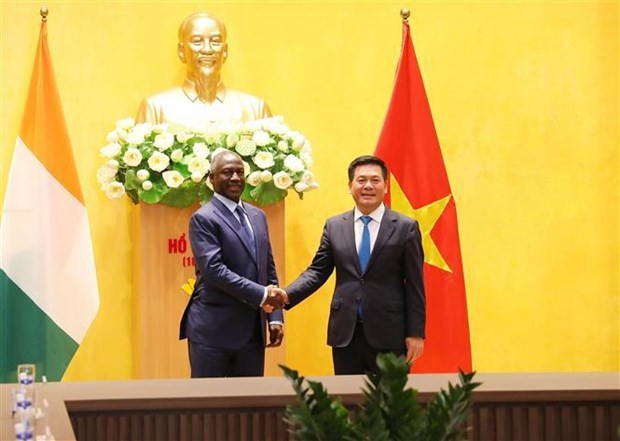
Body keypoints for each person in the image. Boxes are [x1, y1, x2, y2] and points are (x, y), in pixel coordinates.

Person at [277, 155, 426, 375]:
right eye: (361, 180)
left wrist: (415, 333)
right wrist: (285, 295)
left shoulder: (406, 227)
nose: (368, 186)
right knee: (348, 404)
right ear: (350, 186)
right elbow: (317, 271)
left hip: (390, 335)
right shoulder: (335, 226)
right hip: (345, 334)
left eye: (375, 180)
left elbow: (415, 285)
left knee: (389, 406)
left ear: (386, 186)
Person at [179, 151, 288, 377]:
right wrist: (263, 295)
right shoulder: (203, 218)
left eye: (240, 172)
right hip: (212, 332)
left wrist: (275, 316)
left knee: (249, 406)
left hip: (252, 333)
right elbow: (214, 270)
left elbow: (267, 267)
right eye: (227, 172)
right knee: (208, 407)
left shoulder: (258, 215)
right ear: (211, 178)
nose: (236, 178)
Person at [136, 11, 271, 129]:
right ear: (181, 51)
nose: (207, 49)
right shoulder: (155, 108)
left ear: (225, 51)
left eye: (215, 41)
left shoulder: (255, 109)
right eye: (197, 41)